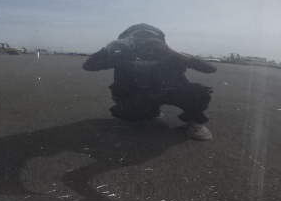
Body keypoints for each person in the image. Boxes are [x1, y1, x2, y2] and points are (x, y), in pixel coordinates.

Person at [83, 24, 217, 140]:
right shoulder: (121, 56)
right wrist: (110, 48)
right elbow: (88, 66)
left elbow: (210, 68)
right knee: (127, 115)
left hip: (169, 91)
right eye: (139, 38)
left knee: (199, 92)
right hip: (138, 95)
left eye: (150, 38)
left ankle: (196, 122)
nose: (145, 42)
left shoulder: (172, 55)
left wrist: (170, 51)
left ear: (160, 41)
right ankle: (152, 111)